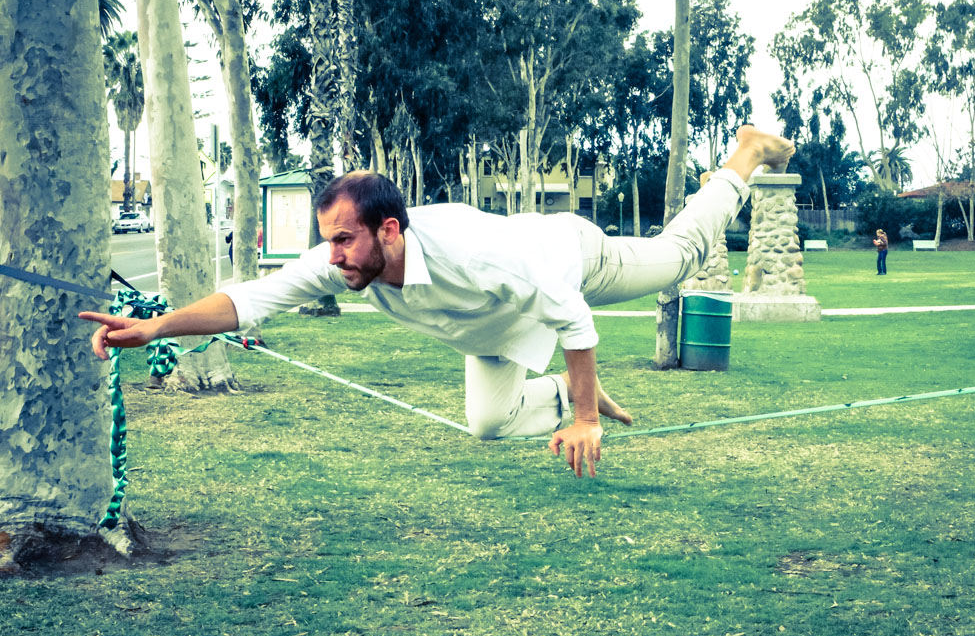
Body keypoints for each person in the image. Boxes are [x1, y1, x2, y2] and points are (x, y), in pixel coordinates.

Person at [80, 125, 794, 479]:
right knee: (488, 423)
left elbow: (574, 318)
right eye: (329, 242)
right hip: (496, 320)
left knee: (679, 257)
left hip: (571, 260)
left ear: (389, 231)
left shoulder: (473, 251)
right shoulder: (345, 261)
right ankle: (566, 388)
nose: (334, 256)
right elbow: (249, 301)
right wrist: (155, 326)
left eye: (344, 240)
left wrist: (585, 419)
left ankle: (744, 157)